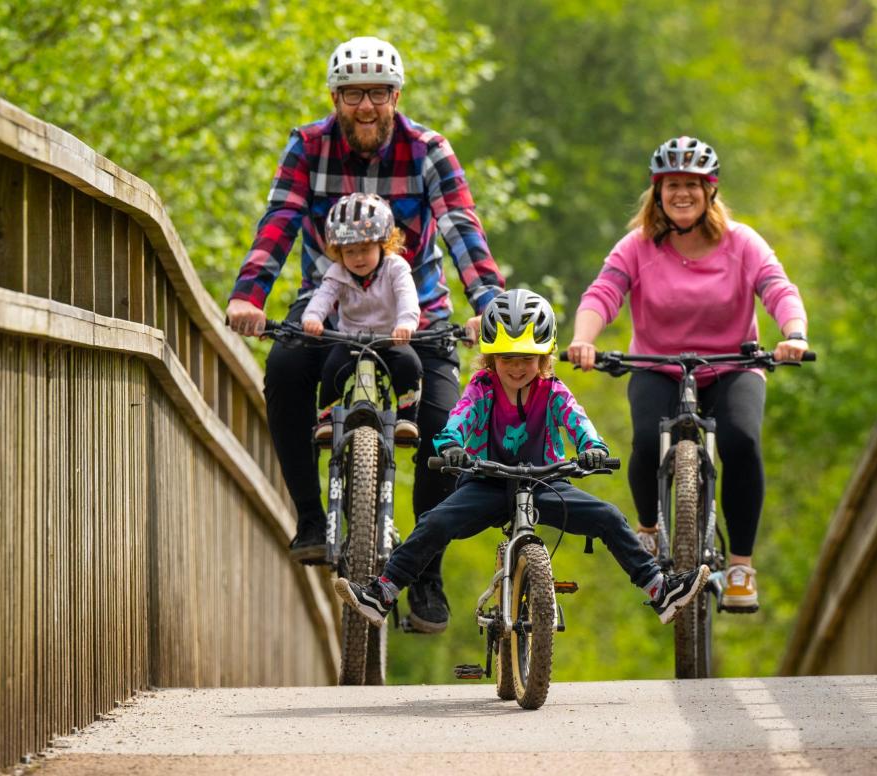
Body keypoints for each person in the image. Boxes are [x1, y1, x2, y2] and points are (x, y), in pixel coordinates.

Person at [225, 36, 505, 634]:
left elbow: (460, 225)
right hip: (327, 312)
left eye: (378, 93)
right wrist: (250, 294)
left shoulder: (428, 150)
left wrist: (486, 302)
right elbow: (279, 218)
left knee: (446, 423)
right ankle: (307, 518)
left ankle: (425, 569)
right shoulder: (308, 145)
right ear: (336, 97)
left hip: (417, 312)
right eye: (354, 94)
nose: (367, 106)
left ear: (396, 96)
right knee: (284, 372)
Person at [337, 289, 711, 627]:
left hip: (546, 484)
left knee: (610, 518)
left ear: (544, 357)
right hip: (486, 482)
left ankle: (660, 590)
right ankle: (383, 592)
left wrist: (592, 448)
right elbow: (460, 417)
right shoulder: (482, 388)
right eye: (508, 359)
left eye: (528, 359)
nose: (517, 368)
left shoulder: (553, 390)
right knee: (434, 523)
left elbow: (576, 419)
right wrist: (450, 444)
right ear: (492, 357)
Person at [566, 136, 809, 611]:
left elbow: (777, 287)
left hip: (733, 365)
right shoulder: (637, 247)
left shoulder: (742, 243)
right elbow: (603, 293)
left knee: (742, 440)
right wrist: (584, 340)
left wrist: (794, 334)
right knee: (644, 437)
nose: (682, 194)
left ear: (710, 192)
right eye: (672, 184)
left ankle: (740, 566)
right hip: (658, 365)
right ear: (657, 192)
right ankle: (650, 531)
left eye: (692, 186)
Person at [303, 193, 421, 445]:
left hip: (390, 338)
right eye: (350, 251)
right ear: (338, 251)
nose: (358, 258)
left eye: (365, 249)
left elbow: (407, 297)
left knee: (409, 365)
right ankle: (326, 419)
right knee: (332, 369)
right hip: (350, 339)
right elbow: (323, 297)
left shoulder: (396, 268)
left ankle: (407, 418)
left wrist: (406, 324)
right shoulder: (338, 273)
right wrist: (313, 317)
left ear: (383, 244)